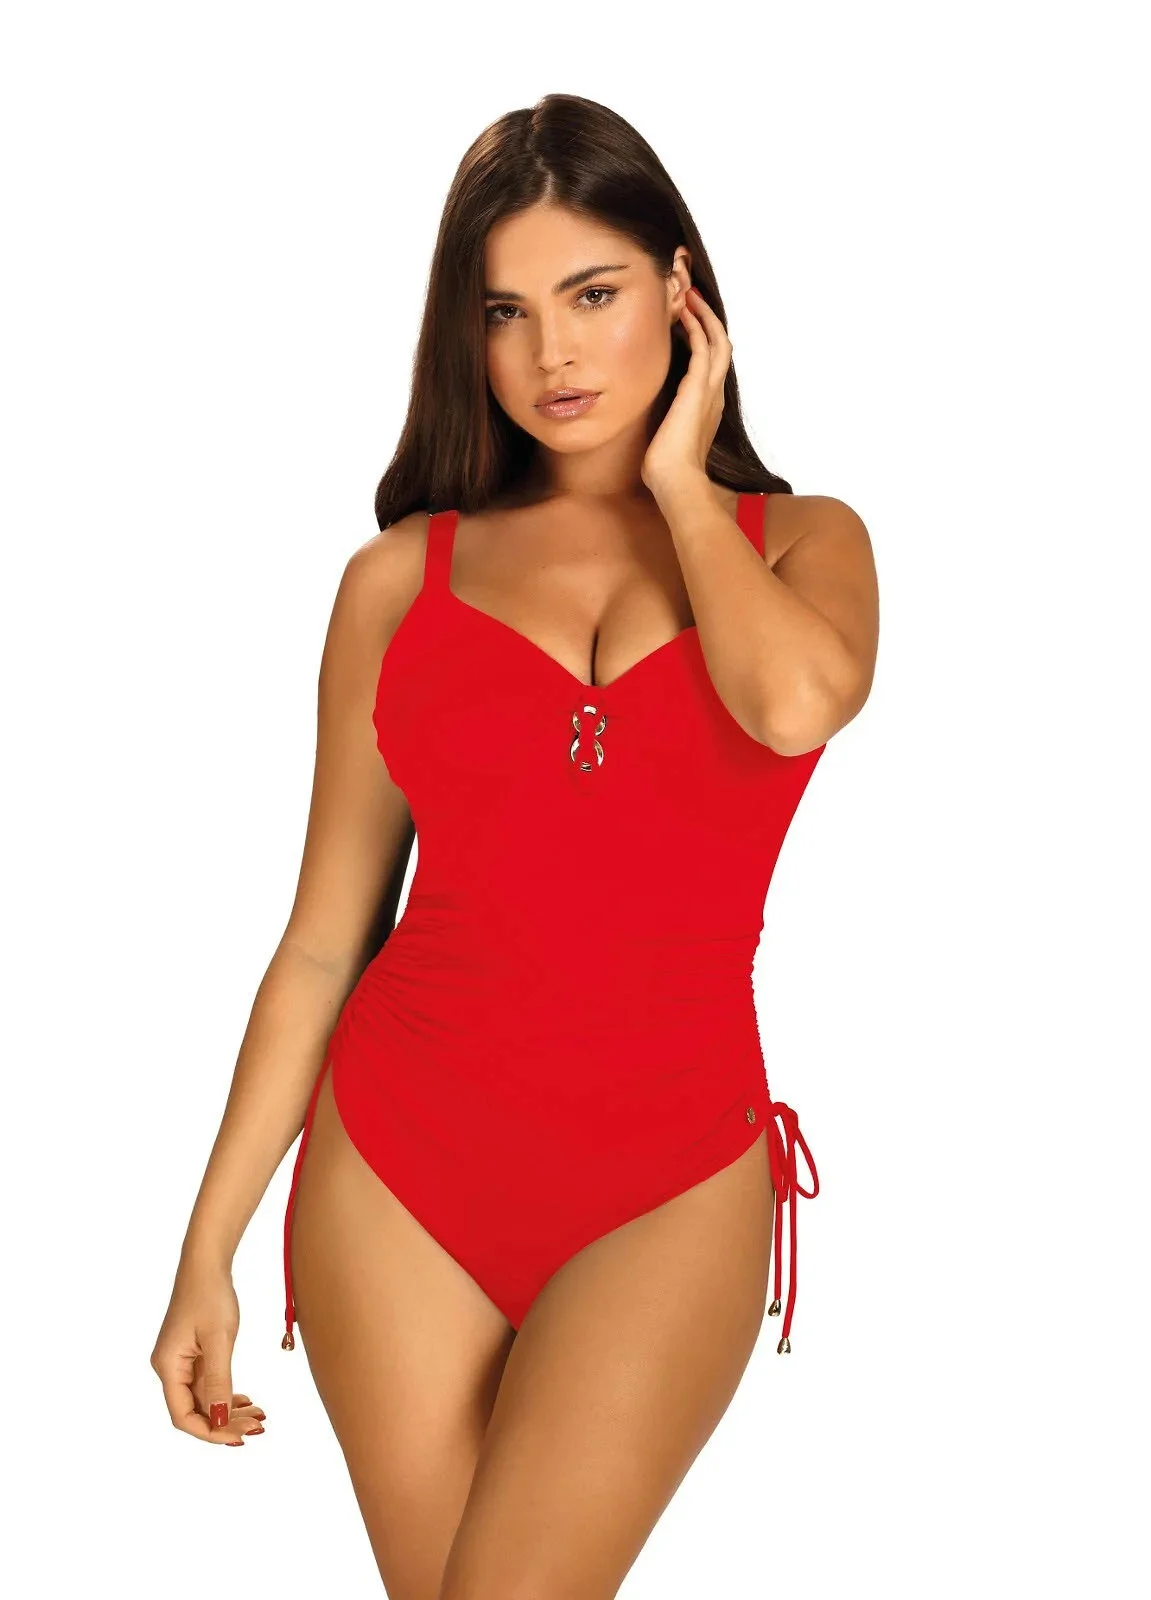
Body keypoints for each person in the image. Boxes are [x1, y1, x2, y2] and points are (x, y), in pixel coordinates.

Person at [151, 92, 878, 1599]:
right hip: (401, 1161)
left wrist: (677, 485)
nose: (552, 352)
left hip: (673, 1170)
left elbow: (794, 703)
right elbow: (323, 942)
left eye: (593, 296)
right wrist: (206, 1246)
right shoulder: (396, 583)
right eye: (506, 312)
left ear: (681, 293)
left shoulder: (804, 542)